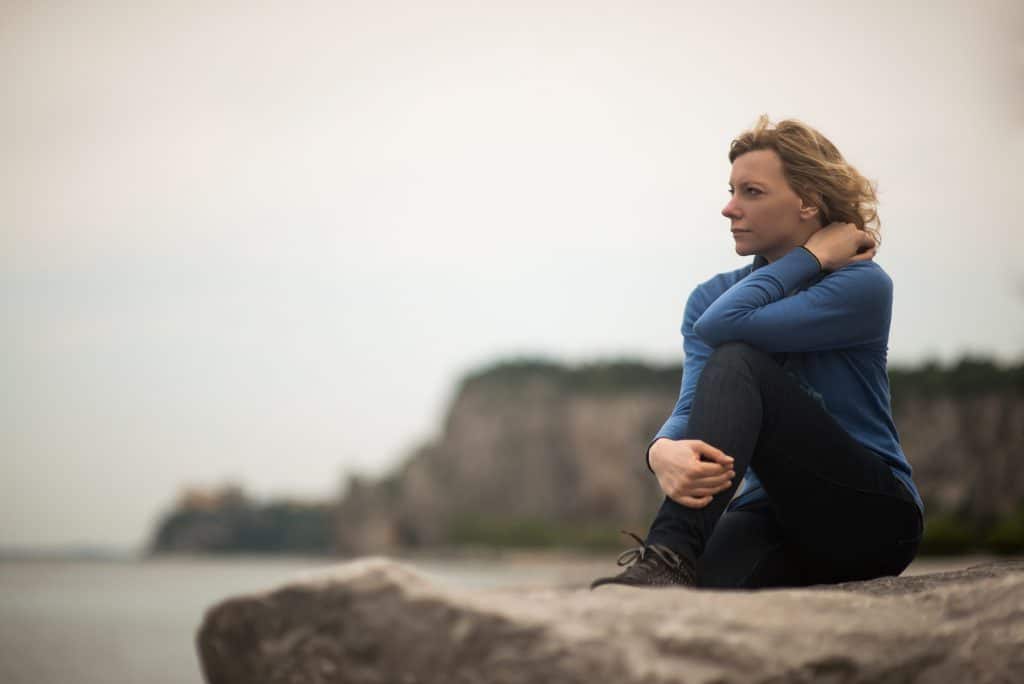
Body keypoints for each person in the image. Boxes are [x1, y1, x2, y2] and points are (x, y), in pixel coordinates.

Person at [590, 115, 925, 590]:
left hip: (869, 516)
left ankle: (669, 554)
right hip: (770, 514)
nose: (729, 208)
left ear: (808, 201)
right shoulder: (712, 297)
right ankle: (671, 564)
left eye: (752, 192)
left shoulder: (860, 284)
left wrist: (810, 260)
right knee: (688, 601)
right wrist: (660, 451)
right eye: (731, 190)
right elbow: (693, 405)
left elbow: (727, 328)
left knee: (737, 359)